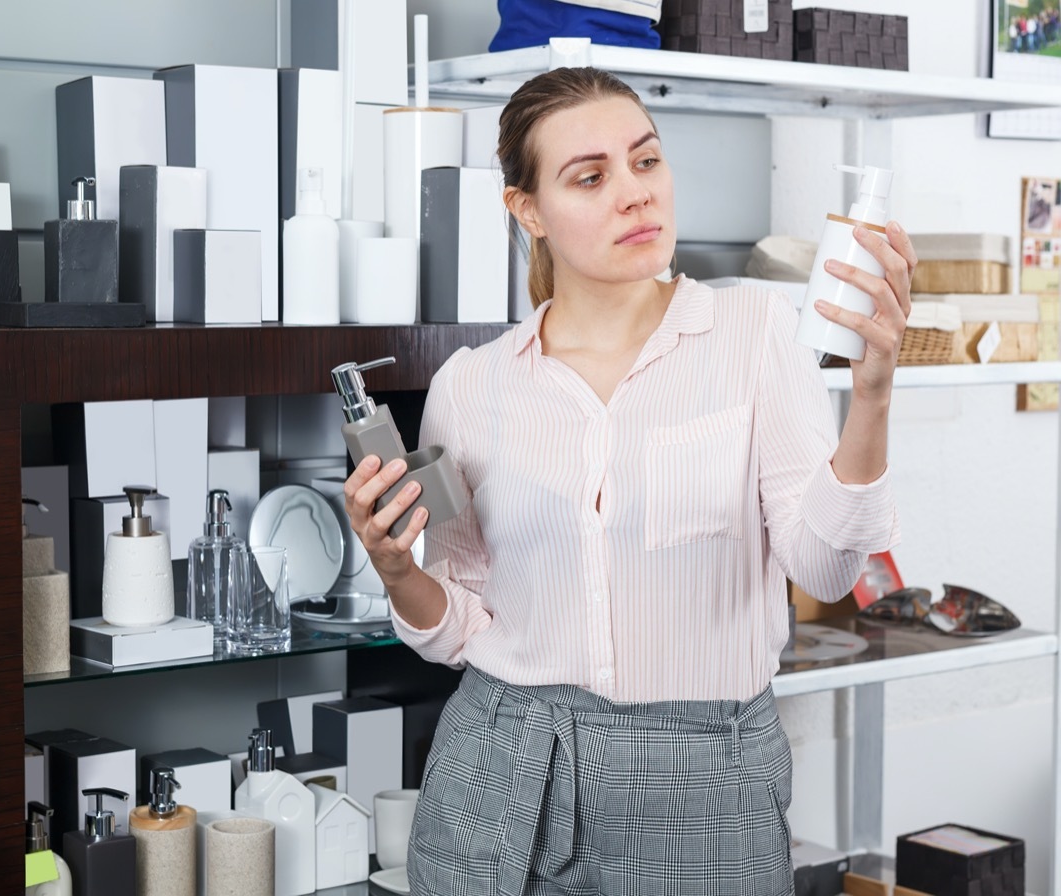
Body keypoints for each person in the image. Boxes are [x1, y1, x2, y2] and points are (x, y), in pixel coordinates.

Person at [344, 66, 911, 896]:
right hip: (499, 767)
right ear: (527, 211)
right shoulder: (473, 385)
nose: (635, 194)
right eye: (591, 176)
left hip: (703, 780)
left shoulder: (756, 341)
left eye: (646, 162)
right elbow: (459, 625)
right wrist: (396, 569)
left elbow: (825, 570)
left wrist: (872, 394)